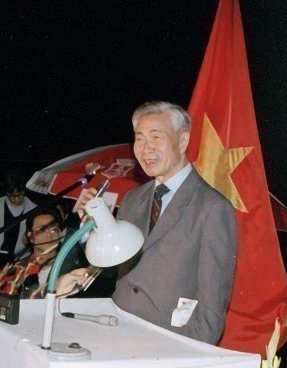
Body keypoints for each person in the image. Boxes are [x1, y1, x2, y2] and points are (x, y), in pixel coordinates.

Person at [80, 101, 237, 344]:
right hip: (118, 331)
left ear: (183, 141)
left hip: (167, 343)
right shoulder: (133, 199)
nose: (146, 148)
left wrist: (187, 355)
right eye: (139, 138)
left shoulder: (212, 208)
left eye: (156, 137)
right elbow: (112, 269)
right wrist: (91, 228)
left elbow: (211, 309)